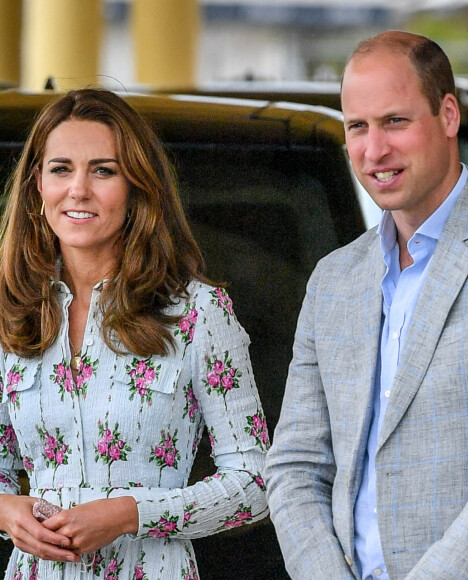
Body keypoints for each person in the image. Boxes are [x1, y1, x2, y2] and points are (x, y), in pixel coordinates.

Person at [264, 30, 468, 579]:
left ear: (448, 115)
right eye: (357, 127)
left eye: (395, 121)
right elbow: (294, 468)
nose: (374, 149)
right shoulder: (334, 279)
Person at [0, 88, 269, 579]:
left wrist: (130, 514)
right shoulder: (9, 313)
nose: (78, 189)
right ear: (37, 184)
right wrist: (6, 510)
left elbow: (255, 484)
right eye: (61, 169)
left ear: (137, 187)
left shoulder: (197, 313)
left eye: (103, 170)